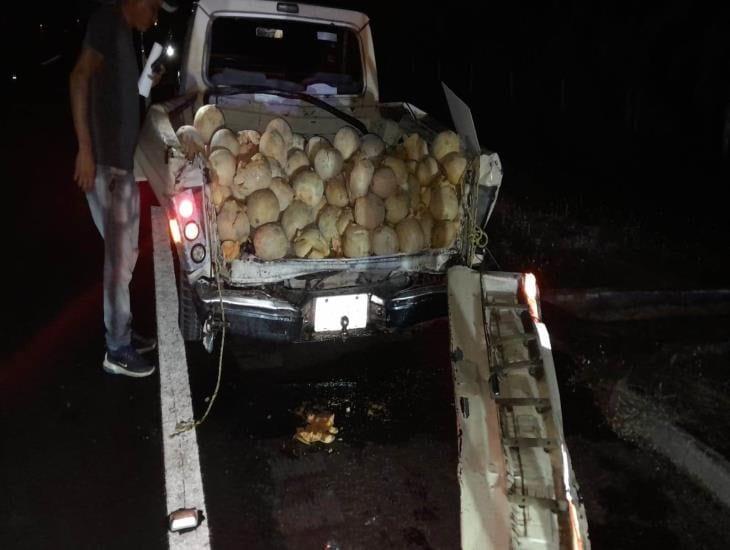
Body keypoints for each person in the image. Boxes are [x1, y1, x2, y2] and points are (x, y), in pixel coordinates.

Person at [70, 0, 164, 378]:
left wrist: (146, 83)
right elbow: (79, 77)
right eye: (155, 8)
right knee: (117, 259)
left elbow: (119, 99)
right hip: (106, 165)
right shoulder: (108, 20)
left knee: (126, 254)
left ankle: (122, 330)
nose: (155, 18)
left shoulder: (124, 34)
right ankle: (117, 348)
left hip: (120, 166)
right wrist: (85, 149)